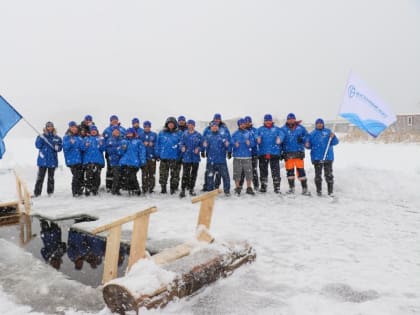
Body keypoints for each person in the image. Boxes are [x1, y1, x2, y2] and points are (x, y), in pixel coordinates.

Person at [305, 118, 339, 196]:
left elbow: (336, 142)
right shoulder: (312, 134)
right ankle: (319, 192)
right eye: (318, 123)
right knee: (318, 176)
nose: (319, 124)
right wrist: (307, 144)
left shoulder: (328, 132)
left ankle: (330, 192)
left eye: (321, 123)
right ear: (316, 124)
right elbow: (308, 146)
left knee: (329, 175)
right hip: (317, 158)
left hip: (328, 158)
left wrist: (333, 137)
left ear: (323, 124)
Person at [281, 113, 310, 195]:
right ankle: (291, 188)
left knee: (301, 172)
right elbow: (279, 141)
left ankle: (304, 189)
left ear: (295, 119)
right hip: (288, 154)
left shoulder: (301, 128)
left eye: (292, 119)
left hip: (298, 154)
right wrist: (280, 152)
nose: (291, 120)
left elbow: (307, 136)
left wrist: (303, 139)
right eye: (289, 119)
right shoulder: (283, 129)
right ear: (287, 120)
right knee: (290, 173)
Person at [202, 113, 231, 191]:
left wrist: (229, 150)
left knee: (224, 175)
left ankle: (223, 188)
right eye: (216, 119)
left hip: (221, 158)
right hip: (211, 158)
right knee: (209, 174)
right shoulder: (208, 132)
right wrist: (203, 150)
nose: (217, 121)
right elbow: (203, 141)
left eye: (218, 119)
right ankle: (208, 188)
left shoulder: (223, 131)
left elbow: (228, 141)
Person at [256, 114, 284, 193]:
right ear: (264, 121)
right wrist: (257, 138)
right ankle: (263, 187)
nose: (268, 122)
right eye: (266, 120)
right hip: (263, 153)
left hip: (274, 153)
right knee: (263, 171)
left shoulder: (277, 129)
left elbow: (282, 134)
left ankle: (277, 187)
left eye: (269, 120)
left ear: (272, 121)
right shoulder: (260, 129)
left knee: (275, 172)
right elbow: (256, 135)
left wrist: (280, 138)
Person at [34, 121, 62, 197]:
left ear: (53, 127)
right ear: (46, 128)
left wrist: (56, 147)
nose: (49, 128)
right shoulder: (41, 136)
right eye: (48, 126)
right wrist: (41, 138)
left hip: (52, 160)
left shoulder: (57, 138)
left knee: (51, 178)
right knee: (40, 178)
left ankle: (50, 193)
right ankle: (37, 193)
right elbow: (37, 145)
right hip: (43, 160)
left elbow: (59, 148)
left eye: (51, 126)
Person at [155, 117, 182, 194]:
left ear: (175, 124)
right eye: (169, 123)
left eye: (172, 123)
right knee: (163, 174)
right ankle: (163, 188)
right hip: (164, 157)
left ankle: (173, 188)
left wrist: (180, 155)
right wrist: (157, 154)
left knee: (175, 175)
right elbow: (158, 144)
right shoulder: (161, 133)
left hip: (175, 158)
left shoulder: (179, 133)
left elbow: (181, 144)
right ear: (166, 124)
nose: (170, 125)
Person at [232, 118, 256, 195]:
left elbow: (253, 144)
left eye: (244, 124)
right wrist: (234, 144)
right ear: (238, 125)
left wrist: (250, 143)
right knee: (237, 173)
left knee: (249, 173)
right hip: (237, 157)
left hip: (247, 157)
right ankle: (237, 187)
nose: (243, 125)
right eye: (241, 124)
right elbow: (230, 143)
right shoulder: (235, 134)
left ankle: (249, 188)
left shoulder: (249, 133)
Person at [119, 128, 146, 196]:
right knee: (126, 176)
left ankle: (136, 189)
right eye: (128, 133)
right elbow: (120, 152)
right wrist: (123, 148)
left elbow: (142, 152)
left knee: (132, 176)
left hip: (134, 162)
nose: (129, 134)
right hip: (125, 162)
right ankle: (129, 188)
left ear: (133, 133)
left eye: (130, 133)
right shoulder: (123, 141)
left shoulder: (138, 142)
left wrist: (142, 161)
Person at [103, 115, 126, 191]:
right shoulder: (107, 130)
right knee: (110, 169)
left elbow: (126, 139)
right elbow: (103, 141)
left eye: (116, 120)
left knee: (120, 169)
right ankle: (109, 186)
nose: (114, 121)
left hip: (120, 153)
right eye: (113, 120)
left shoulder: (122, 129)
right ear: (110, 121)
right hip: (110, 153)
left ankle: (120, 185)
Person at [179, 120, 202, 198]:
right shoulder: (184, 135)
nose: (190, 126)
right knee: (185, 174)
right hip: (186, 158)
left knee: (193, 174)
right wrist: (182, 147)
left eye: (192, 125)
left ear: (194, 126)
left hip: (195, 158)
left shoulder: (198, 135)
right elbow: (181, 143)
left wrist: (198, 149)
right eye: (189, 125)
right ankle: (183, 190)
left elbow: (202, 145)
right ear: (187, 125)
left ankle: (191, 189)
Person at [81, 125, 105, 196]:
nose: (93, 131)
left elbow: (103, 149)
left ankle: (95, 189)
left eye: (95, 130)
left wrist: (101, 144)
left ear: (97, 131)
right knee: (88, 176)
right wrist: (85, 145)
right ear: (90, 132)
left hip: (98, 161)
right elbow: (82, 148)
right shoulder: (86, 139)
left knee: (97, 177)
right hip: (88, 161)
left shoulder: (100, 139)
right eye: (92, 130)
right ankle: (88, 189)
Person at [63, 121, 84, 197]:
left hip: (79, 160)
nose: (74, 129)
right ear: (69, 128)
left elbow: (82, 148)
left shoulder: (79, 137)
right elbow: (65, 147)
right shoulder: (66, 137)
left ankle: (80, 191)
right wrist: (70, 143)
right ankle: (75, 192)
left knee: (80, 176)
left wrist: (85, 145)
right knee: (76, 176)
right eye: (72, 127)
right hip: (72, 160)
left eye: (75, 127)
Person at [139, 121, 158, 193]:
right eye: (145, 126)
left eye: (148, 126)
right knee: (144, 173)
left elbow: (157, 144)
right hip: (144, 158)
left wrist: (152, 144)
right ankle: (144, 188)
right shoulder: (141, 135)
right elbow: (138, 144)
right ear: (143, 127)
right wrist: (143, 144)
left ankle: (151, 188)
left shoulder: (154, 134)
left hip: (152, 157)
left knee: (152, 174)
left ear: (150, 127)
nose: (147, 128)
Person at [105, 126, 123, 195]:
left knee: (120, 175)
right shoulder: (110, 140)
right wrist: (118, 150)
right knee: (116, 175)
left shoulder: (122, 139)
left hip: (121, 161)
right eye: (115, 131)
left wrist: (119, 150)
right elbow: (109, 150)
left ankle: (117, 189)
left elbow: (123, 149)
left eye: (118, 131)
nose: (116, 132)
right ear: (112, 132)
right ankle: (114, 190)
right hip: (113, 161)